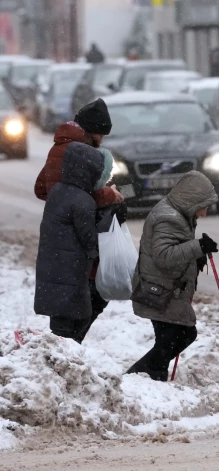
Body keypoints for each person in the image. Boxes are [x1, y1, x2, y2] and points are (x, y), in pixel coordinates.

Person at [34, 98, 125, 343]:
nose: (102, 140)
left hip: (60, 232)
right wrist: (108, 195)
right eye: (100, 134)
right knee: (88, 296)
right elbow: (80, 193)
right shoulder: (76, 152)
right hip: (75, 233)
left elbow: (41, 189)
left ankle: (68, 346)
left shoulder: (58, 148)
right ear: (90, 131)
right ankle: (70, 347)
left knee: (68, 300)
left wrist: (59, 204)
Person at [126, 171, 219, 381]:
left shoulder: (175, 214)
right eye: (203, 206)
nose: (204, 212)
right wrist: (197, 247)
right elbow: (163, 256)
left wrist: (196, 256)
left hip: (164, 289)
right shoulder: (169, 219)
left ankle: (147, 376)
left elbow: (174, 249)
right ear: (192, 201)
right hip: (159, 292)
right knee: (173, 338)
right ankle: (142, 376)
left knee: (177, 337)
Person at [34, 143, 107, 342]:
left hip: (54, 266)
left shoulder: (58, 190)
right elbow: (89, 239)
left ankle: (60, 357)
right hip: (71, 271)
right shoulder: (83, 201)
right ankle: (60, 361)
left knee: (62, 320)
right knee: (74, 320)